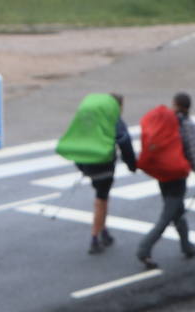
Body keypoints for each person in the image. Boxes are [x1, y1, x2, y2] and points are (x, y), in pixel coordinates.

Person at [56, 92, 137, 255]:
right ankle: (95, 237)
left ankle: (104, 230)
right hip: (103, 165)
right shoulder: (115, 120)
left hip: (84, 163)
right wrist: (132, 165)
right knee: (101, 199)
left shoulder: (94, 118)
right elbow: (124, 141)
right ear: (118, 106)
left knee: (102, 197)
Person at [135, 92, 195, 269]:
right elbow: (192, 151)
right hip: (178, 175)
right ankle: (144, 249)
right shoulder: (187, 124)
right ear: (188, 107)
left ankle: (187, 246)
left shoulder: (166, 123)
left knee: (177, 211)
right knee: (168, 215)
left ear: (174, 104)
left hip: (163, 174)